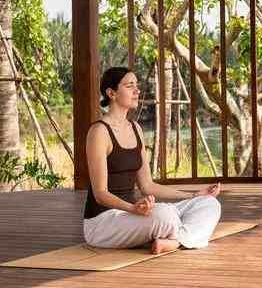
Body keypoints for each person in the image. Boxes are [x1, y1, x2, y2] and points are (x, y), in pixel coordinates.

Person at [83, 66, 222, 254]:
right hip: (102, 223)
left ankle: (175, 242)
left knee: (209, 204)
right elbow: (100, 193)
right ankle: (182, 238)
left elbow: (147, 185)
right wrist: (133, 208)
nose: (136, 91)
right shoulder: (99, 132)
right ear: (111, 93)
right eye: (129, 86)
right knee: (165, 215)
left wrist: (193, 196)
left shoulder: (135, 129)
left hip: (133, 215)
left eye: (137, 86)